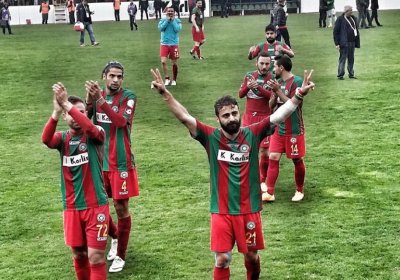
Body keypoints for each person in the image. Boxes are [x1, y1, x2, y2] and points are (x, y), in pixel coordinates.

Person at [149, 67, 315, 280]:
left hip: (249, 210)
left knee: (252, 258)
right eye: (225, 115)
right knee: (222, 259)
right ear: (218, 119)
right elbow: (185, 117)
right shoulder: (210, 137)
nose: (231, 118)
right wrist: (165, 94)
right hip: (221, 211)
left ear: (239, 112)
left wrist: (299, 94)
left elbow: (279, 115)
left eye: (234, 113)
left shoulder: (252, 133)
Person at [42, 84, 110, 280]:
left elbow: (89, 127)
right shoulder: (62, 139)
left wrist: (66, 104)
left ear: (86, 114)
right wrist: (56, 112)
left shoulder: (95, 133)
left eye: (80, 112)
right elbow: (46, 139)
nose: (75, 115)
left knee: (95, 257)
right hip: (71, 208)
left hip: (96, 207)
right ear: (65, 117)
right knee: (79, 255)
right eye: (70, 113)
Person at [85, 61, 139, 273]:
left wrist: (99, 100)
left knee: (120, 207)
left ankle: (121, 255)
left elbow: (118, 122)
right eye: (112, 76)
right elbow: (85, 121)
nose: (115, 80)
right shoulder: (98, 98)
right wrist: (89, 100)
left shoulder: (129, 97)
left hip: (121, 162)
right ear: (104, 76)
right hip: (98, 161)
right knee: (96, 204)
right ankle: (115, 236)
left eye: (119, 76)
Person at [262, 55, 311, 203]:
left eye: (274, 67)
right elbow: (271, 106)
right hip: (279, 128)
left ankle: (299, 190)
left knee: (296, 160)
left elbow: (294, 104)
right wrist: (273, 92)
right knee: (273, 157)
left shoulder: (296, 81)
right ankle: (270, 192)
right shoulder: (278, 82)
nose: (273, 69)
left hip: (294, 129)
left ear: (281, 67)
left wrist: (278, 91)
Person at [239, 52, 274, 194]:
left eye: (267, 64)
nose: (264, 66)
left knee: (264, 150)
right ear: (256, 63)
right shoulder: (249, 75)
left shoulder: (272, 78)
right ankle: (247, 179)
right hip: (248, 117)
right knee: (247, 149)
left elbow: (271, 97)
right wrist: (248, 86)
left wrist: (258, 88)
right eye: (262, 63)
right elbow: (240, 94)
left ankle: (262, 180)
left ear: (270, 64)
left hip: (264, 117)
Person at [333, 5, 360, 80]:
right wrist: (337, 43)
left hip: (352, 42)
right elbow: (336, 32)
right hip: (344, 43)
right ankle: (340, 75)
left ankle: (351, 74)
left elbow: (355, 29)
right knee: (343, 59)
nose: (352, 11)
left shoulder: (353, 18)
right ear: (346, 11)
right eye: (350, 10)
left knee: (351, 59)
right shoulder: (340, 19)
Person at [158, 6, 182, 86]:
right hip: (164, 44)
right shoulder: (162, 20)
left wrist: (173, 21)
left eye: (172, 11)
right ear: (166, 12)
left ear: (174, 12)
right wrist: (167, 21)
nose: (170, 12)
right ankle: (167, 78)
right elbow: (161, 28)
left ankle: (174, 79)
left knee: (174, 63)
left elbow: (177, 29)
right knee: (163, 61)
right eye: (169, 11)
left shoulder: (178, 21)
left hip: (174, 44)